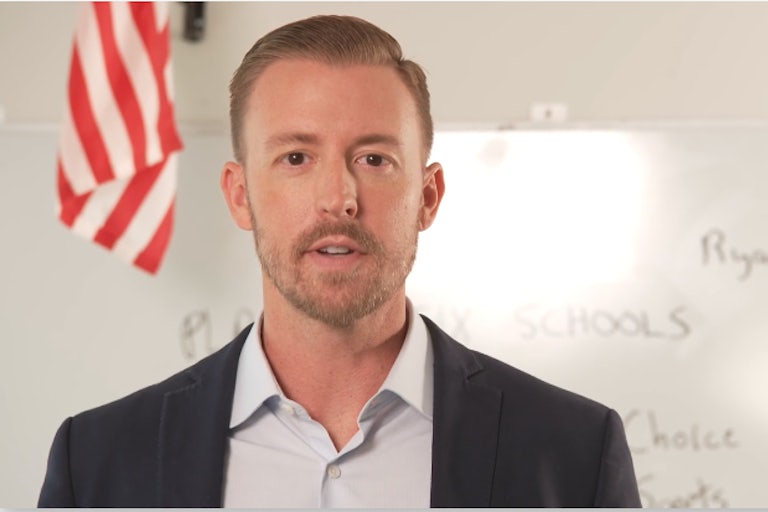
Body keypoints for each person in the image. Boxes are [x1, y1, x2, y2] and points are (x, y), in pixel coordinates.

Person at [38, 15, 641, 507]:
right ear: (239, 194)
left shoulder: (573, 453)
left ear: (427, 197)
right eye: (296, 158)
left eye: (374, 159)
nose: (338, 200)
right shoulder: (97, 461)